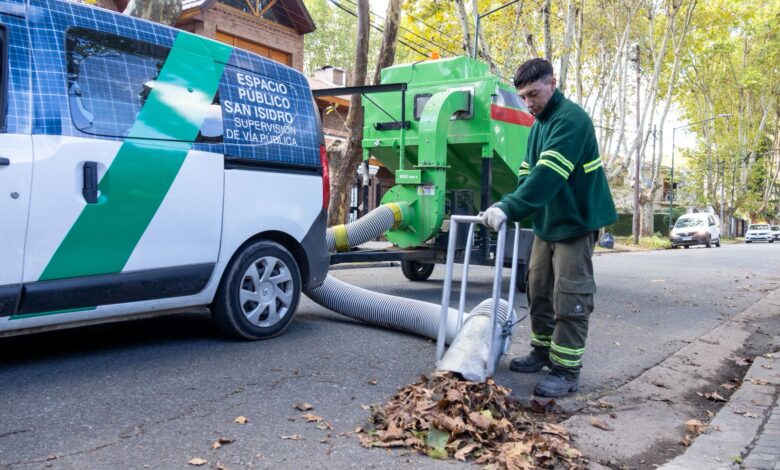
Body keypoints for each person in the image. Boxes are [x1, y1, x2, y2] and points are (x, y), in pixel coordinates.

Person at [481, 58, 617, 397]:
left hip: (575, 222)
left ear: (552, 83)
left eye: (534, 94)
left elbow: (549, 175)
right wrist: (512, 204)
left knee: (570, 293)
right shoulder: (538, 124)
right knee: (538, 288)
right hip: (547, 223)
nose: (528, 103)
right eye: (523, 97)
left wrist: (508, 207)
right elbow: (528, 172)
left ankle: (567, 370)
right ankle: (543, 351)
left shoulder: (571, 119)